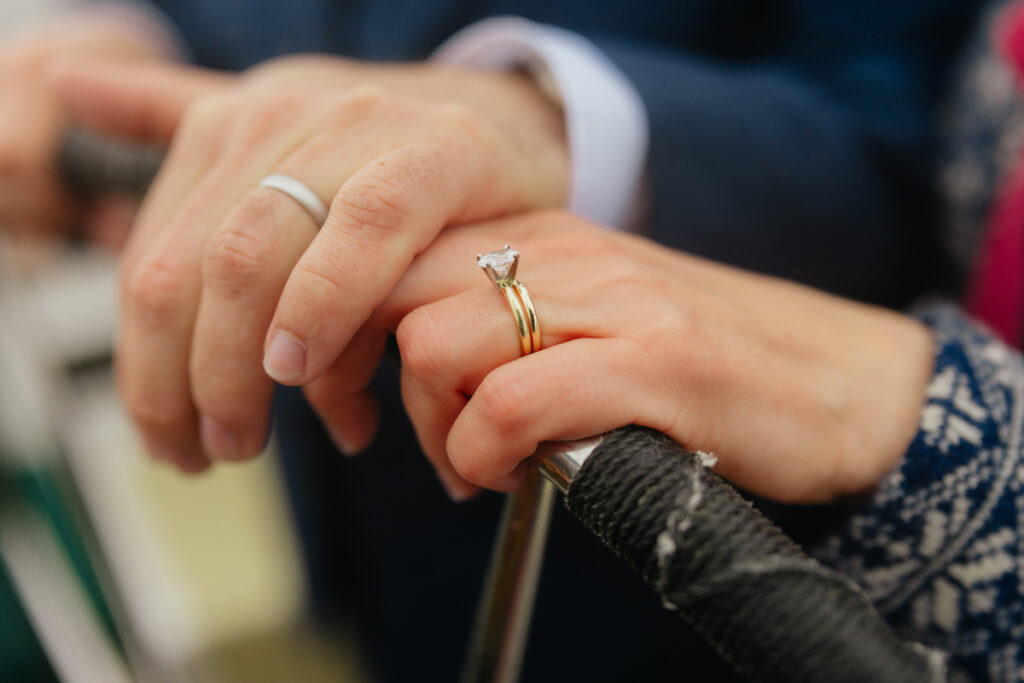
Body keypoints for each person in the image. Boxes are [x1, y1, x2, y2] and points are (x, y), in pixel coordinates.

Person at [0, 1, 991, 680]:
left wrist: (546, 119)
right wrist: (123, 48)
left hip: (700, 574)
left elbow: (909, 123)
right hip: (369, 515)